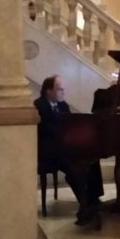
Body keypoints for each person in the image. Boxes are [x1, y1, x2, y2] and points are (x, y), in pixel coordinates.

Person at [34, 75, 104, 225]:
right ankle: (85, 205)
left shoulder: (63, 105)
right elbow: (47, 130)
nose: (63, 92)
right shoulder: (39, 105)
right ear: (48, 91)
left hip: (64, 147)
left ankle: (94, 199)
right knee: (75, 166)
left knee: (92, 159)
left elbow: (71, 125)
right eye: (60, 89)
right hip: (48, 151)